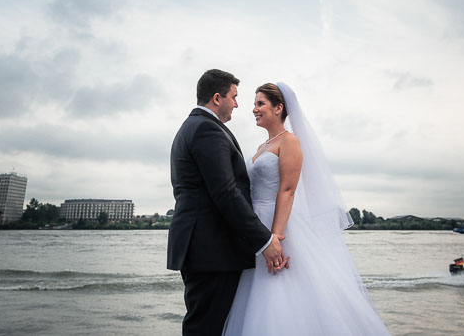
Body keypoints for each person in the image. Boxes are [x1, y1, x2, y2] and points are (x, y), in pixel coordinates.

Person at [223, 82, 390, 335]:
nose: (254, 110)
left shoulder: (290, 142)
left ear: (278, 108)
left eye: (260, 104)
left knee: (279, 288)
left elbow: (287, 191)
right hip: (256, 228)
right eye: (254, 104)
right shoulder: (260, 148)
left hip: (277, 226)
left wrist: (275, 238)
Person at [167, 69, 289, 335]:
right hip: (211, 248)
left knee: (205, 323)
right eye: (234, 96)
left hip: (203, 246)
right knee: (206, 327)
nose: (237, 103)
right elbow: (225, 193)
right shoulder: (206, 130)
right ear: (217, 98)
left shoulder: (194, 126)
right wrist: (264, 240)